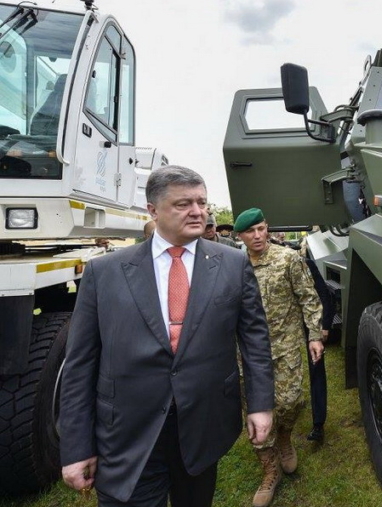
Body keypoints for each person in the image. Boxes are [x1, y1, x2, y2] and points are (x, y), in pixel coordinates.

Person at [60, 165, 275, 507]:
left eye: (202, 202)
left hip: (204, 423)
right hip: (127, 432)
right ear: (153, 210)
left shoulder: (233, 264)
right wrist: (76, 446)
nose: (198, 212)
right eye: (183, 204)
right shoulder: (105, 272)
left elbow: (255, 339)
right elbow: (80, 363)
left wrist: (261, 404)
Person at [235, 208, 323, 507]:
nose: (258, 235)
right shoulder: (234, 265)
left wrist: (314, 335)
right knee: (255, 411)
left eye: (261, 228)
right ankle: (270, 470)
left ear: (267, 228)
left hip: (285, 346)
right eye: (250, 231)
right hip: (247, 353)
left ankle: (284, 437)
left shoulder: (288, 259)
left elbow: (308, 297)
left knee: (290, 401)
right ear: (240, 236)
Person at [301, 246, 335, 443]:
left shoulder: (305, 264)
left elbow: (324, 295)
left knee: (316, 369)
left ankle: (318, 424)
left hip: (310, 325)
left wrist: (325, 325)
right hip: (286, 328)